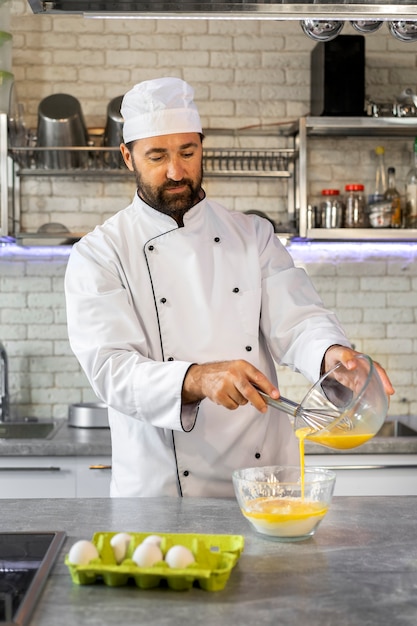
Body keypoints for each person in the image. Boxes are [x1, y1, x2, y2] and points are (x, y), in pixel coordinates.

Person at [64, 77, 394, 498]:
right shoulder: (100, 253)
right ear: (127, 156)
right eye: (157, 156)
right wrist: (197, 378)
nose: (175, 171)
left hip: (263, 486)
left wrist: (333, 357)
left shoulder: (252, 235)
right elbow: (111, 369)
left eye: (188, 151)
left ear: (203, 146)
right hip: (163, 492)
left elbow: (298, 321)